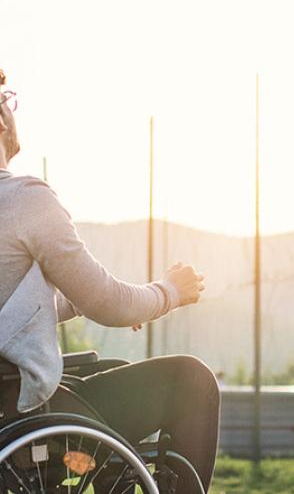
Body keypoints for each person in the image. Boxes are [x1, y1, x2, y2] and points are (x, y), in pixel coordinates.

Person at [0, 68, 219, 493]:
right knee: (191, 381)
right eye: (5, 97)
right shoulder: (25, 199)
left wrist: (91, 299)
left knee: (115, 370)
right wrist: (168, 292)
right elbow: (111, 305)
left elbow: (16, 312)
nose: (10, 106)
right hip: (20, 410)